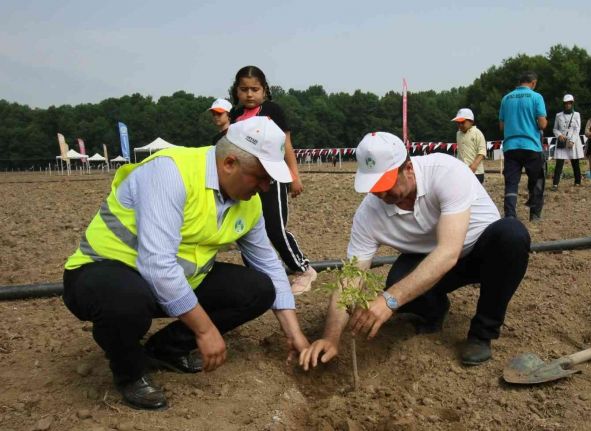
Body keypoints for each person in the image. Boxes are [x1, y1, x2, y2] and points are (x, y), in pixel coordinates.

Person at [62, 117, 310, 410]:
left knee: (258, 289)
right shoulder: (170, 172)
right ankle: (130, 370)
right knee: (125, 302)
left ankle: (165, 351)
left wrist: (295, 336)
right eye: (261, 176)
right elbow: (157, 265)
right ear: (230, 162)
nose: (266, 187)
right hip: (104, 273)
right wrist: (205, 330)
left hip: (171, 284)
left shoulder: (249, 202)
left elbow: (268, 264)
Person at [298, 132, 530, 369]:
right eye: (374, 188)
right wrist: (331, 337)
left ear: (408, 168)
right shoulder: (368, 214)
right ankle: (434, 311)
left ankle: (483, 333)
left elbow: (449, 251)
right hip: (431, 260)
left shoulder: (446, 171)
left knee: (512, 236)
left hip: (481, 252)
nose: (381, 195)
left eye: (386, 186)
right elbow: (351, 277)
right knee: (397, 281)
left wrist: (389, 300)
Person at [229, 66, 316, 294]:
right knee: (247, 230)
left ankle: (303, 269)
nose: (249, 94)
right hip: (246, 182)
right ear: (236, 91)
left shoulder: (272, 110)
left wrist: (294, 175)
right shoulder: (235, 116)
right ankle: (260, 277)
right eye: (244, 89)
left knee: (275, 228)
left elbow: (286, 144)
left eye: (255, 89)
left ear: (264, 90)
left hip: (273, 177)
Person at [498, 71, 548, 222]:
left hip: (511, 146)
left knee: (511, 183)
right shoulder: (536, 97)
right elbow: (542, 123)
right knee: (536, 180)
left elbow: (501, 126)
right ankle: (535, 215)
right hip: (531, 145)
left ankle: (510, 215)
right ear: (533, 83)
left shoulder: (506, 98)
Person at [551, 94, 584, 190]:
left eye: (569, 103)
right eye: (566, 103)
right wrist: (559, 135)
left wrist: (572, 141)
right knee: (559, 163)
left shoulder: (577, 115)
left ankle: (577, 181)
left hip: (572, 140)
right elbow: (555, 129)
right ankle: (555, 184)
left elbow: (577, 129)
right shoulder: (558, 115)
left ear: (572, 104)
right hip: (562, 141)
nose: (567, 105)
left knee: (575, 162)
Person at [452, 108, 487, 184]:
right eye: (458, 123)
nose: (460, 125)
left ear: (471, 121)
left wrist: (474, 165)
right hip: (462, 171)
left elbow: (482, 151)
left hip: (476, 172)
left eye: (462, 122)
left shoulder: (477, 133)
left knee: (475, 194)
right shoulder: (458, 134)